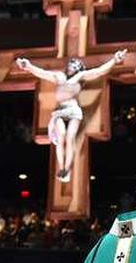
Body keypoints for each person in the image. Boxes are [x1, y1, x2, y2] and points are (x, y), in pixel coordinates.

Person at [15, 50, 127, 182]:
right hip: (59, 111)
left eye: (74, 65)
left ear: (78, 68)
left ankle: (67, 169)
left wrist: (114, 59)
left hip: (73, 110)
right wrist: (28, 66)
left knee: (70, 137)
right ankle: (61, 167)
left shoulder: (80, 76)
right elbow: (42, 73)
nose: (70, 66)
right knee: (61, 135)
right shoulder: (59, 77)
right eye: (70, 64)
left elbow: (99, 71)